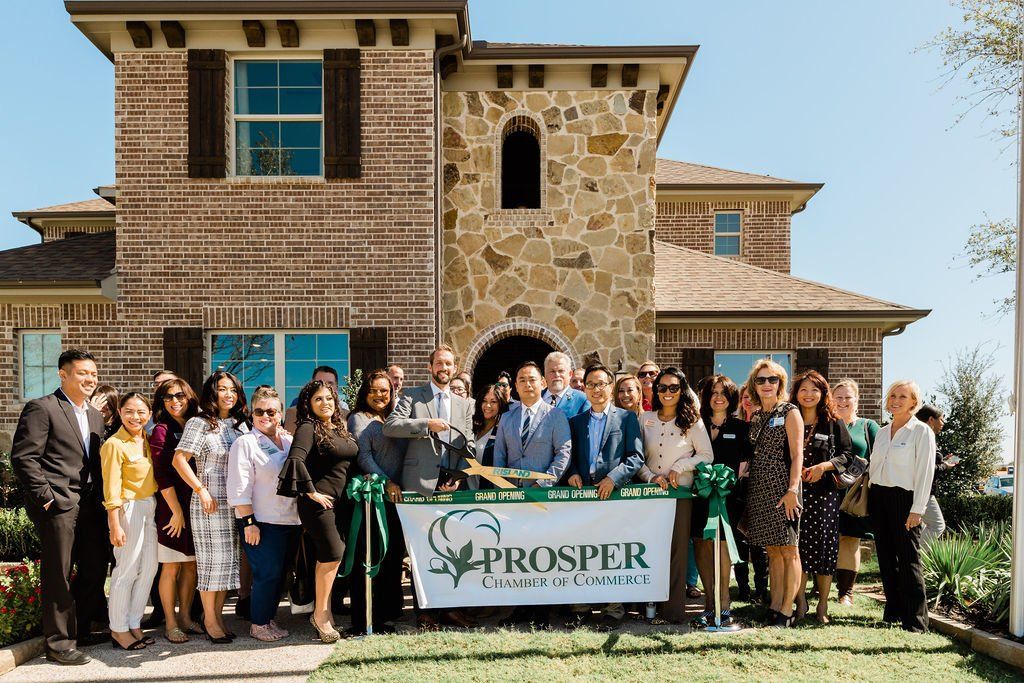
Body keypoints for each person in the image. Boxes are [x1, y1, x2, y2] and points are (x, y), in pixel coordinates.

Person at [11, 349, 110, 665]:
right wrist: (46, 496)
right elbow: (24, 458)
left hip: (91, 503)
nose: (90, 379)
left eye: (93, 374)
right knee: (59, 573)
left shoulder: (95, 416)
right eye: (82, 373)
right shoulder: (42, 408)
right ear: (63, 374)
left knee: (95, 567)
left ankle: (80, 629)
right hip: (58, 503)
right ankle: (58, 644)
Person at [384, 344, 477, 630]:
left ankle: (450, 610)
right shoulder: (413, 396)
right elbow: (391, 426)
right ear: (430, 367)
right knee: (422, 551)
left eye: (448, 364)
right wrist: (426, 425)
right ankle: (425, 612)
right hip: (419, 485)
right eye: (439, 363)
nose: (443, 368)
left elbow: (469, 443)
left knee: (451, 548)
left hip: (450, 485)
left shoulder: (464, 404)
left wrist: (459, 477)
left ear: (454, 368)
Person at [277, 380, 359, 643]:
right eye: (318, 399)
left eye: (329, 398)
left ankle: (327, 613)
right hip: (319, 505)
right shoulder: (307, 427)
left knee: (330, 558)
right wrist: (310, 492)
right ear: (308, 404)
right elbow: (296, 459)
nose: (325, 403)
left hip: (342, 503)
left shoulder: (339, 428)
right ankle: (320, 615)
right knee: (333, 554)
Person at [494, 361, 572, 630]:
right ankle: (521, 606)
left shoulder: (555, 416)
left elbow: (563, 453)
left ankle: (543, 611)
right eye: (522, 380)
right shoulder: (507, 418)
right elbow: (499, 457)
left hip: (542, 497)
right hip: (513, 497)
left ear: (543, 383)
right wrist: (504, 488)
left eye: (532, 379)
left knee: (542, 552)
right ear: (515, 386)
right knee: (518, 553)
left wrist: (542, 483)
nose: (528, 384)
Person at [566, 364, 645, 631]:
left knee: (612, 553)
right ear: (584, 389)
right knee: (581, 553)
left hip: (613, 496)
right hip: (583, 497)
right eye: (590, 384)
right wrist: (572, 473)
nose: (596, 389)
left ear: (610, 387)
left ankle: (614, 609)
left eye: (601, 384)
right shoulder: (575, 422)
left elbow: (636, 457)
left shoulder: (626, 418)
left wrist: (613, 478)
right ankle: (580, 607)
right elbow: (569, 456)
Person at [172, 371, 249, 643]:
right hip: (209, 503)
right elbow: (179, 460)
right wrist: (200, 489)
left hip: (234, 503)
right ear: (212, 393)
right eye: (223, 389)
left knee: (228, 564)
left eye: (233, 390)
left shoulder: (240, 425)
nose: (229, 394)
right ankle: (210, 621)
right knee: (211, 565)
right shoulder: (199, 423)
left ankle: (215, 617)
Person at [638, 368, 713, 625]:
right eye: (662, 387)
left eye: (673, 387)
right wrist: (650, 477)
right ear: (656, 390)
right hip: (649, 495)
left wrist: (681, 467)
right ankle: (648, 606)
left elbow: (707, 455)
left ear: (682, 390)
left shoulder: (693, 421)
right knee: (650, 550)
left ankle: (673, 611)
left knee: (677, 552)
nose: (667, 392)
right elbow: (636, 457)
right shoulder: (645, 418)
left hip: (679, 495)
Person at [227, 386, 300, 642]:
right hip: (260, 521)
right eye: (259, 411)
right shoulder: (245, 443)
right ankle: (258, 624)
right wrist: (249, 522)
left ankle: (268, 619)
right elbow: (239, 487)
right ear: (251, 413)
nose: (265, 416)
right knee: (266, 574)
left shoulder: (289, 441)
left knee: (279, 575)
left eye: (271, 411)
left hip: (290, 520)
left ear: (280, 413)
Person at [870, 381, 935, 632]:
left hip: (905, 500)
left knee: (909, 559)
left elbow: (925, 472)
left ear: (913, 402)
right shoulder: (882, 432)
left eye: (903, 396)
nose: (896, 400)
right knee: (886, 558)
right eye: (893, 395)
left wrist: (918, 508)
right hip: (879, 497)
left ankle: (916, 621)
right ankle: (894, 612)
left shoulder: (921, 431)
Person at [743, 359, 804, 628]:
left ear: (780, 383)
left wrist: (792, 489)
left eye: (772, 379)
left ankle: (787, 610)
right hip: (760, 489)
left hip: (783, 489)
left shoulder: (790, 411)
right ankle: (775, 605)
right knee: (773, 551)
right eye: (761, 380)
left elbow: (797, 455)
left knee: (789, 550)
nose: (766, 384)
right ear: (754, 385)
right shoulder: (756, 415)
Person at [349, 370, 408, 635]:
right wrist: (386, 482)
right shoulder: (359, 418)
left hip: (399, 498)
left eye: (384, 390)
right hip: (374, 498)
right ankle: (369, 617)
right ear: (365, 392)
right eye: (373, 390)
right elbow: (364, 457)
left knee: (393, 555)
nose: (379, 395)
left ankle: (388, 612)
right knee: (374, 557)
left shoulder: (395, 417)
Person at [791, 370, 852, 625]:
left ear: (823, 393)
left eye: (814, 390)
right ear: (796, 393)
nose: (808, 394)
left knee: (825, 548)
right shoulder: (789, 418)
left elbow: (847, 455)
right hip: (795, 494)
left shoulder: (833, 422)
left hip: (824, 495)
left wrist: (824, 467)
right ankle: (800, 601)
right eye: (803, 389)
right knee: (798, 548)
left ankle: (823, 604)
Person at [101, 392, 159, 651]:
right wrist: (114, 523)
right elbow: (111, 487)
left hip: (149, 506)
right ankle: (118, 628)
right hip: (128, 508)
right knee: (126, 570)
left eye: (141, 412)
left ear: (149, 414)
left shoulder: (147, 439)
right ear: (120, 413)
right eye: (129, 411)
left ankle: (134, 622)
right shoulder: (114, 444)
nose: (135, 417)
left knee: (148, 569)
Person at [692, 374, 750, 626]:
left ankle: (724, 603)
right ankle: (709, 603)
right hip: (699, 495)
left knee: (724, 545)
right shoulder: (695, 425)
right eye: (714, 393)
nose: (718, 397)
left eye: (723, 393)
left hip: (728, 497)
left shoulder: (741, 428)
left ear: (731, 398)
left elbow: (746, 464)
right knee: (702, 543)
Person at [149, 378, 203, 643]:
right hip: (171, 508)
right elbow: (161, 475)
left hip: (195, 506)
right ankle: (170, 623)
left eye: (180, 395)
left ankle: (186, 618)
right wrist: (176, 511)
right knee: (171, 566)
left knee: (191, 565)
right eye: (168, 397)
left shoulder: (195, 425)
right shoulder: (161, 430)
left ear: (189, 397)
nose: (175, 401)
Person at [833, 379, 880, 606]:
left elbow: (881, 456)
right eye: (838, 397)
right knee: (822, 538)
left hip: (854, 493)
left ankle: (845, 592)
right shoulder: (826, 425)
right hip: (826, 490)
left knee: (849, 539)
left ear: (857, 401)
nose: (843, 401)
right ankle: (818, 585)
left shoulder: (867, 427)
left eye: (847, 397)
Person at [916, 404, 956, 543]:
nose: (943, 423)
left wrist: (942, 461)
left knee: (919, 526)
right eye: (941, 419)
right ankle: (916, 555)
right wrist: (945, 466)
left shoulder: (923, 436)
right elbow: (925, 468)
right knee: (937, 525)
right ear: (931, 420)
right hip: (923, 490)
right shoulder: (925, 437)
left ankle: (912, 554)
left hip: (923, 489)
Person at [285, 366, 348, 433]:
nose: (324, 387)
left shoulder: (345, 414)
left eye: (330, 383)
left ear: (336, 387)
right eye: (319, 383)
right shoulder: (294, 412)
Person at [470, 384, 509, 490]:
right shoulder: (471, 427)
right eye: (484, 401)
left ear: (501, 404)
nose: (488, 405)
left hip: (489, 494)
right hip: (465, 493)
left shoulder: (504, 432)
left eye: (493, 402)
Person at [541, 352, 590, 417]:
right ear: (545, 374)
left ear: (570, 374)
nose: (557, 375)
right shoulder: (534, 398)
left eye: (561, 371)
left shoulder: (582, 400)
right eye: (552, 371)